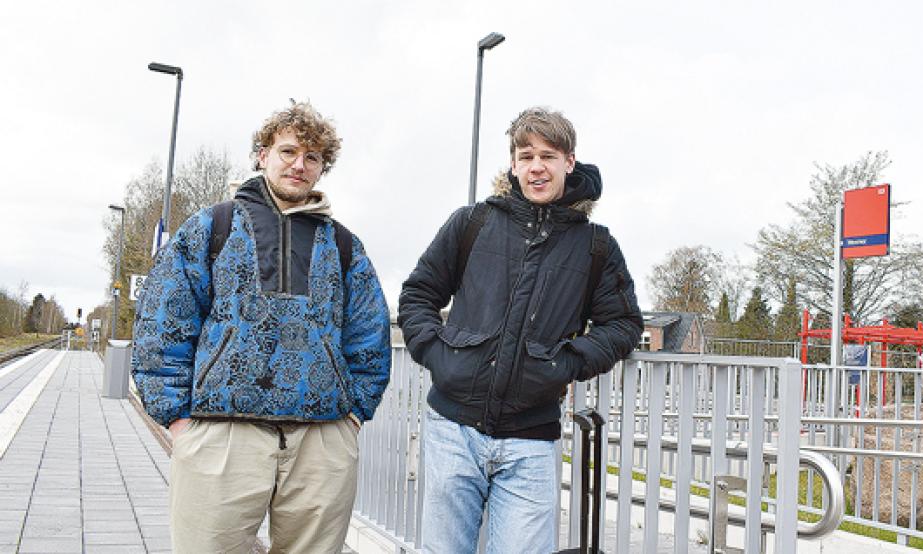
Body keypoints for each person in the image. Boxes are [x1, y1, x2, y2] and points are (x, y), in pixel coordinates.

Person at [132, 101, 391, 554]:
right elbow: (162, 321)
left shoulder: (345, 244)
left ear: (321, 169)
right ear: (262, 155)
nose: (299, 165)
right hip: (221, 435)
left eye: (312, 158)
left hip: (321, 441)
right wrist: (177, 418)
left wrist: (352, 417)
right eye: (288, 151)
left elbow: (369, 336)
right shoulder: (213, 226)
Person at [398, 107, 643, 553]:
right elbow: (418, 295)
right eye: (526, 155)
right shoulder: (472, 223)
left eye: (548, 156)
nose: (536, 167)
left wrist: (566, 363)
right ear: (512, 164)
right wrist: (438, 355)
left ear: (569, 162)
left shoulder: (596, 247)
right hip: (452, 429)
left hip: (530, 442)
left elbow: (624, 324)